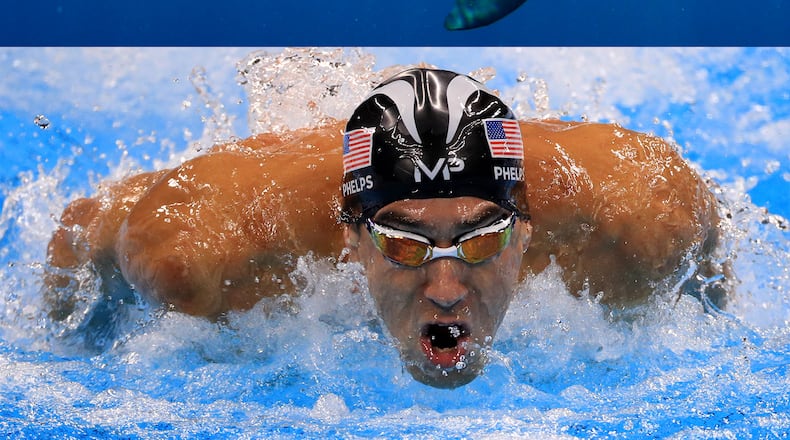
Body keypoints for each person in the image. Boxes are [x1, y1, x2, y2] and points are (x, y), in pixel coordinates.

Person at [45, 67, 725, 388]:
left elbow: (711, 272)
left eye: (482, 239)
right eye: (403, 243)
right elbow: (81, 230)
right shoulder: (199, 253)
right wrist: (69, 341)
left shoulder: (641, 224)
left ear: (526, 228)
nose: (448, 288)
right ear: (349, 236)